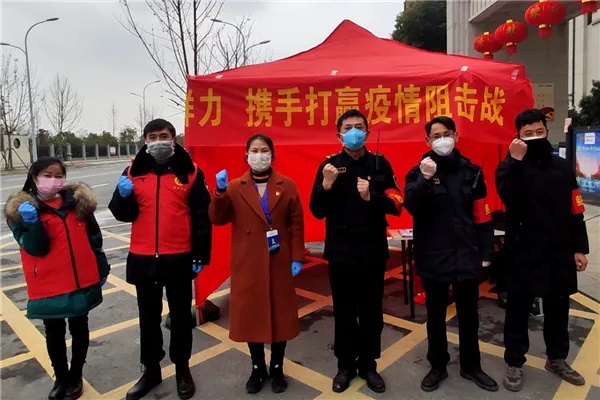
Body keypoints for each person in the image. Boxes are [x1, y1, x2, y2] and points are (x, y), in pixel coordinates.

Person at [108, 119, 212, 400]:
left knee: (180, 318)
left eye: (163, 136)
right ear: (145, 140)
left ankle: (182, 369)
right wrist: (122, 196)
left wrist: (201, 254)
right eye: (152, 137)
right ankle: (151, 370)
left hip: (178, 257)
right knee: (148, 319)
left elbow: (202, 217)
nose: (158, 141)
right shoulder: (133, 172)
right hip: (143, 258)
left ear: (173, 138)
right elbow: (122, 213)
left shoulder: (190, 172)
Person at [308, 109, 403, 394]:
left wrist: (370, 196)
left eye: (358, 127)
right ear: (338, 135)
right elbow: (316, 210)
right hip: (341, 253)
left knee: (372, 311)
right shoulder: (329, 166)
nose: (353, 132)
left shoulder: (379, 163)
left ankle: (369, 365)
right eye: (348, 127)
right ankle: (345, 366)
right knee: (344, 312)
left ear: (367, 132)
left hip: (372, 251)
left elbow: (397, 202)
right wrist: (326, 185)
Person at [495, 109, 589, 392]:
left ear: (547, 131)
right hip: (523, 249)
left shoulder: (562, 167)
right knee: (518, 309)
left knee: (559, 307)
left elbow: (576, 208)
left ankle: (557, 358)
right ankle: (514, 361)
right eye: (527, 133)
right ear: (518, 136)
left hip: (558, 249)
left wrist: (579, 248)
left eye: (538, 131)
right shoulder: (509, 166)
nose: (534, 136)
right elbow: (507, 196)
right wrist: (515, 161)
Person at [403, 116, 498, 393]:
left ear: (456, 136)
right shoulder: (417, 172)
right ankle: (437, 366)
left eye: (447, 134)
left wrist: (486, 252)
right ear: (427, 141)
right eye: (436, 136)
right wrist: (425, 179)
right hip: (433, 255)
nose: (442, 140)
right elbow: (411, 205)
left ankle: (471, 366)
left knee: (469, 315)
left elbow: (483, 217)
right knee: (435, 315)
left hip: (466, 254)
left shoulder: (472, 171)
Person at [3, 157, 109, 400]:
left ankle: (76, 375)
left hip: (81, 279)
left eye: (59, 176)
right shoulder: (21, 211)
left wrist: (102, 267)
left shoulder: (78, 204)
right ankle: (61, 378)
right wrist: (32, 224)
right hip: (48, 283)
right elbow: (36, 248)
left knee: (80, 328)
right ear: (34, 178)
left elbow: (94, 238)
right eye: (47, 175)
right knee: (54, 331)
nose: (53, 181)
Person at [209, 134, 305, 395]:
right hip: (248, 262)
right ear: (246, 155)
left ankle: (277, 367)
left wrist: (297, 256)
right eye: (254, 150)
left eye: (264, 151)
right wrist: (219, 193)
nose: (259, 155)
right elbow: (217, 218)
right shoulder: (234, 186)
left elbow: (296, 223)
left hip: (278, 260)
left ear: (272, 155)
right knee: (251, 317)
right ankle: (257, 367)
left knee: (280, 317)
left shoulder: (287, 185)